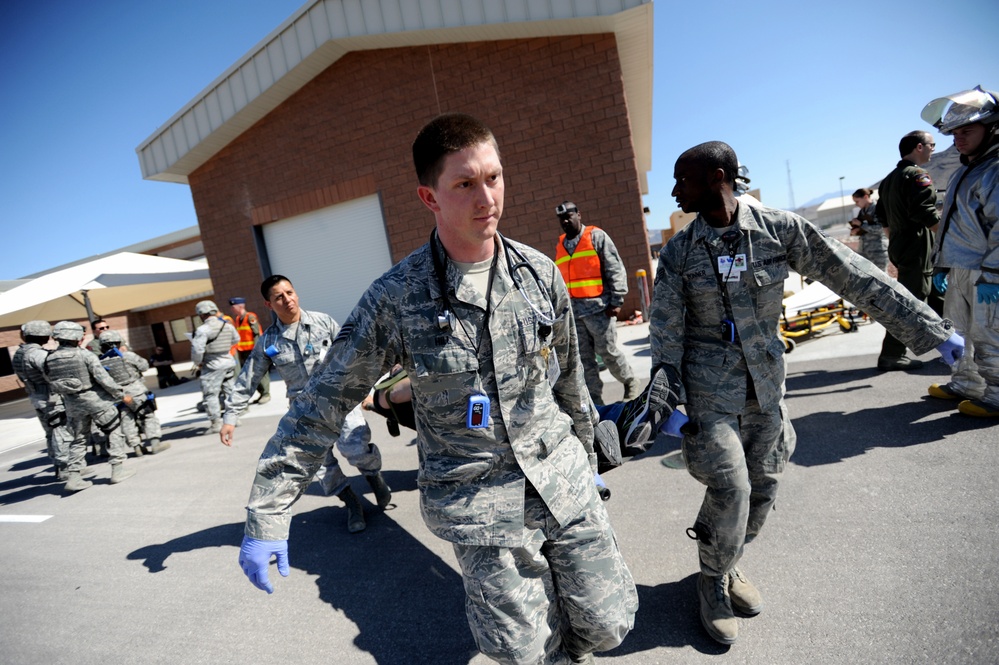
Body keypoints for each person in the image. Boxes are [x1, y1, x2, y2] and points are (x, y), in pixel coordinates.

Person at [237, 113, 638, 664]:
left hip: (562, 479)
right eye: (465, 183)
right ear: (429, 197)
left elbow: (569, 378)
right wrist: (269, 509)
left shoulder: (540, 274)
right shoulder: (397, 297)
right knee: (527, 652)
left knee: (608, 621)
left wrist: (588, 454)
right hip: (481, 505)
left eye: (493, 177)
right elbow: (322, 403)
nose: (486, 197)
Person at [651, 141, 964, 646]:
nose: (673, 190)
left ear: (716, 177)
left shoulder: (780, 230)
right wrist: (669, 398)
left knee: (765, 484)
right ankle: (711, 580)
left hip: (766, 386)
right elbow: (666, 332)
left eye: (681, 180)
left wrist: (931, 328)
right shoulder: (681, 252)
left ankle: (729, 563)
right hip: (709, 393)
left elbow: (855, 275)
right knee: (731, 487)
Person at [221, 276, 391, 534]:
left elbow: (353, 355)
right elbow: (248, 379)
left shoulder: (323, 322)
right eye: (279, 296)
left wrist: (365, 390)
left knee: (355, 446)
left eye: (290, 292)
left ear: (296, 293)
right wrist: (230, 418)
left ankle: (374, 477)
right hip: (304, 412)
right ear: (269, 304)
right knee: (321, 465)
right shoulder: (268, 342)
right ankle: (351, 503)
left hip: (339, 397)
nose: (287, 299)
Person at [922, 86, 999, 418]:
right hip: (958, 269)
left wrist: (994, 274)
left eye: (967, 130)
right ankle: (967, 384)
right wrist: (941, 264)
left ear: (992, 127)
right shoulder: (963, 172)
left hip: (986, 271)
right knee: (959, 332)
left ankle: (996, 396)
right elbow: (949, 221)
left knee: (989, 334)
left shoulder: (994, 170)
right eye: (954, 132)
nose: (958, 138)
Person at [554, 201, 640, 403]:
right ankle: (595, 400)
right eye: (562, 219)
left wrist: (617, 300)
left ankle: (629, 381)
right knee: (584, 360)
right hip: (575, 314)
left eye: (569, 216)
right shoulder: (561, 245)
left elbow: (614, 268)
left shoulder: (596, 236)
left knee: (607, 352)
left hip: (600, 310)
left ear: (579, 215)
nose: (566, 221)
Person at [874, 130, 941, 371]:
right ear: (919, 147)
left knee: (936, 298)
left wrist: (895, 237)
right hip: (917, 245)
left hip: (902, 244)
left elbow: (881, 214)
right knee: (910, 303)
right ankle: (892, 354)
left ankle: (959, 344)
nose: (934, 149)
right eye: (932, 145)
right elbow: (924, 212)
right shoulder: (916, 175)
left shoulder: (890, 179)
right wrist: (948, 237)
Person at [43, 321, 137, 488]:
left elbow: (51, 381)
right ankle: (117, 469)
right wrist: (121, 395)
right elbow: (104, 379)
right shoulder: (85, 355)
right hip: (96, 402)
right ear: (76, 337)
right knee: (114, 431)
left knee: (78, 440)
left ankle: (74, 477)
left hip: (72, 404)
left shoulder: (50, 358)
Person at [12, 320, 72, 480]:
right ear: (43, 336)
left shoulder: (19, 354)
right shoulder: (38, 354)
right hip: (51, 399)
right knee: (60, 432)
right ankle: (65, 468)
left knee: (50, 433)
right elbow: (51, 375)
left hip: (37, 398)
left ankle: (59, 467)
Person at [98, 330, 170, 455]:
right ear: (118, 342)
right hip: (138, 392)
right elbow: (144, 366)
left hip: (119, 396)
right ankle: (155, 443)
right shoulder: (127, 356)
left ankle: (136, 447)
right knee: (148, 416)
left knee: (127, 420)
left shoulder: (99, 363)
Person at [190, 300, 239, 434]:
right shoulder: (227, 325)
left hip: (212, 366)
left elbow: (197, 350)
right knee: (229, 391)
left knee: (210, 394)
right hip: (228, 362)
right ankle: (234, 419)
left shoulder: (203, 329)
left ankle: (216, 424)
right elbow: (236, 339)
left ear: (201, 314)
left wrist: (198, 362)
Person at [229, 297, 270, 405]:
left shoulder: (250, 317)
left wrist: (258, 350)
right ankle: (261, 393)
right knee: (250, 375)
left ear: (240, 306)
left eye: (233, 307)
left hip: (254, 350)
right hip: (243, 351)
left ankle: (266, 394)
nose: (232, 310)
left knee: (260, 372)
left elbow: (256, 334)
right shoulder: (238, 319)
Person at [849, 187, 889, 271]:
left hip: (878, 251)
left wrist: (861, 224)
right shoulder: (862, 211)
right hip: (864, 251)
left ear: (866, 197)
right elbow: (864, 229)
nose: (856, 204)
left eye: (857, 201)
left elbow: (880, 229)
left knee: (881, 279)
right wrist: (856, 230)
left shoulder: (878, 208)